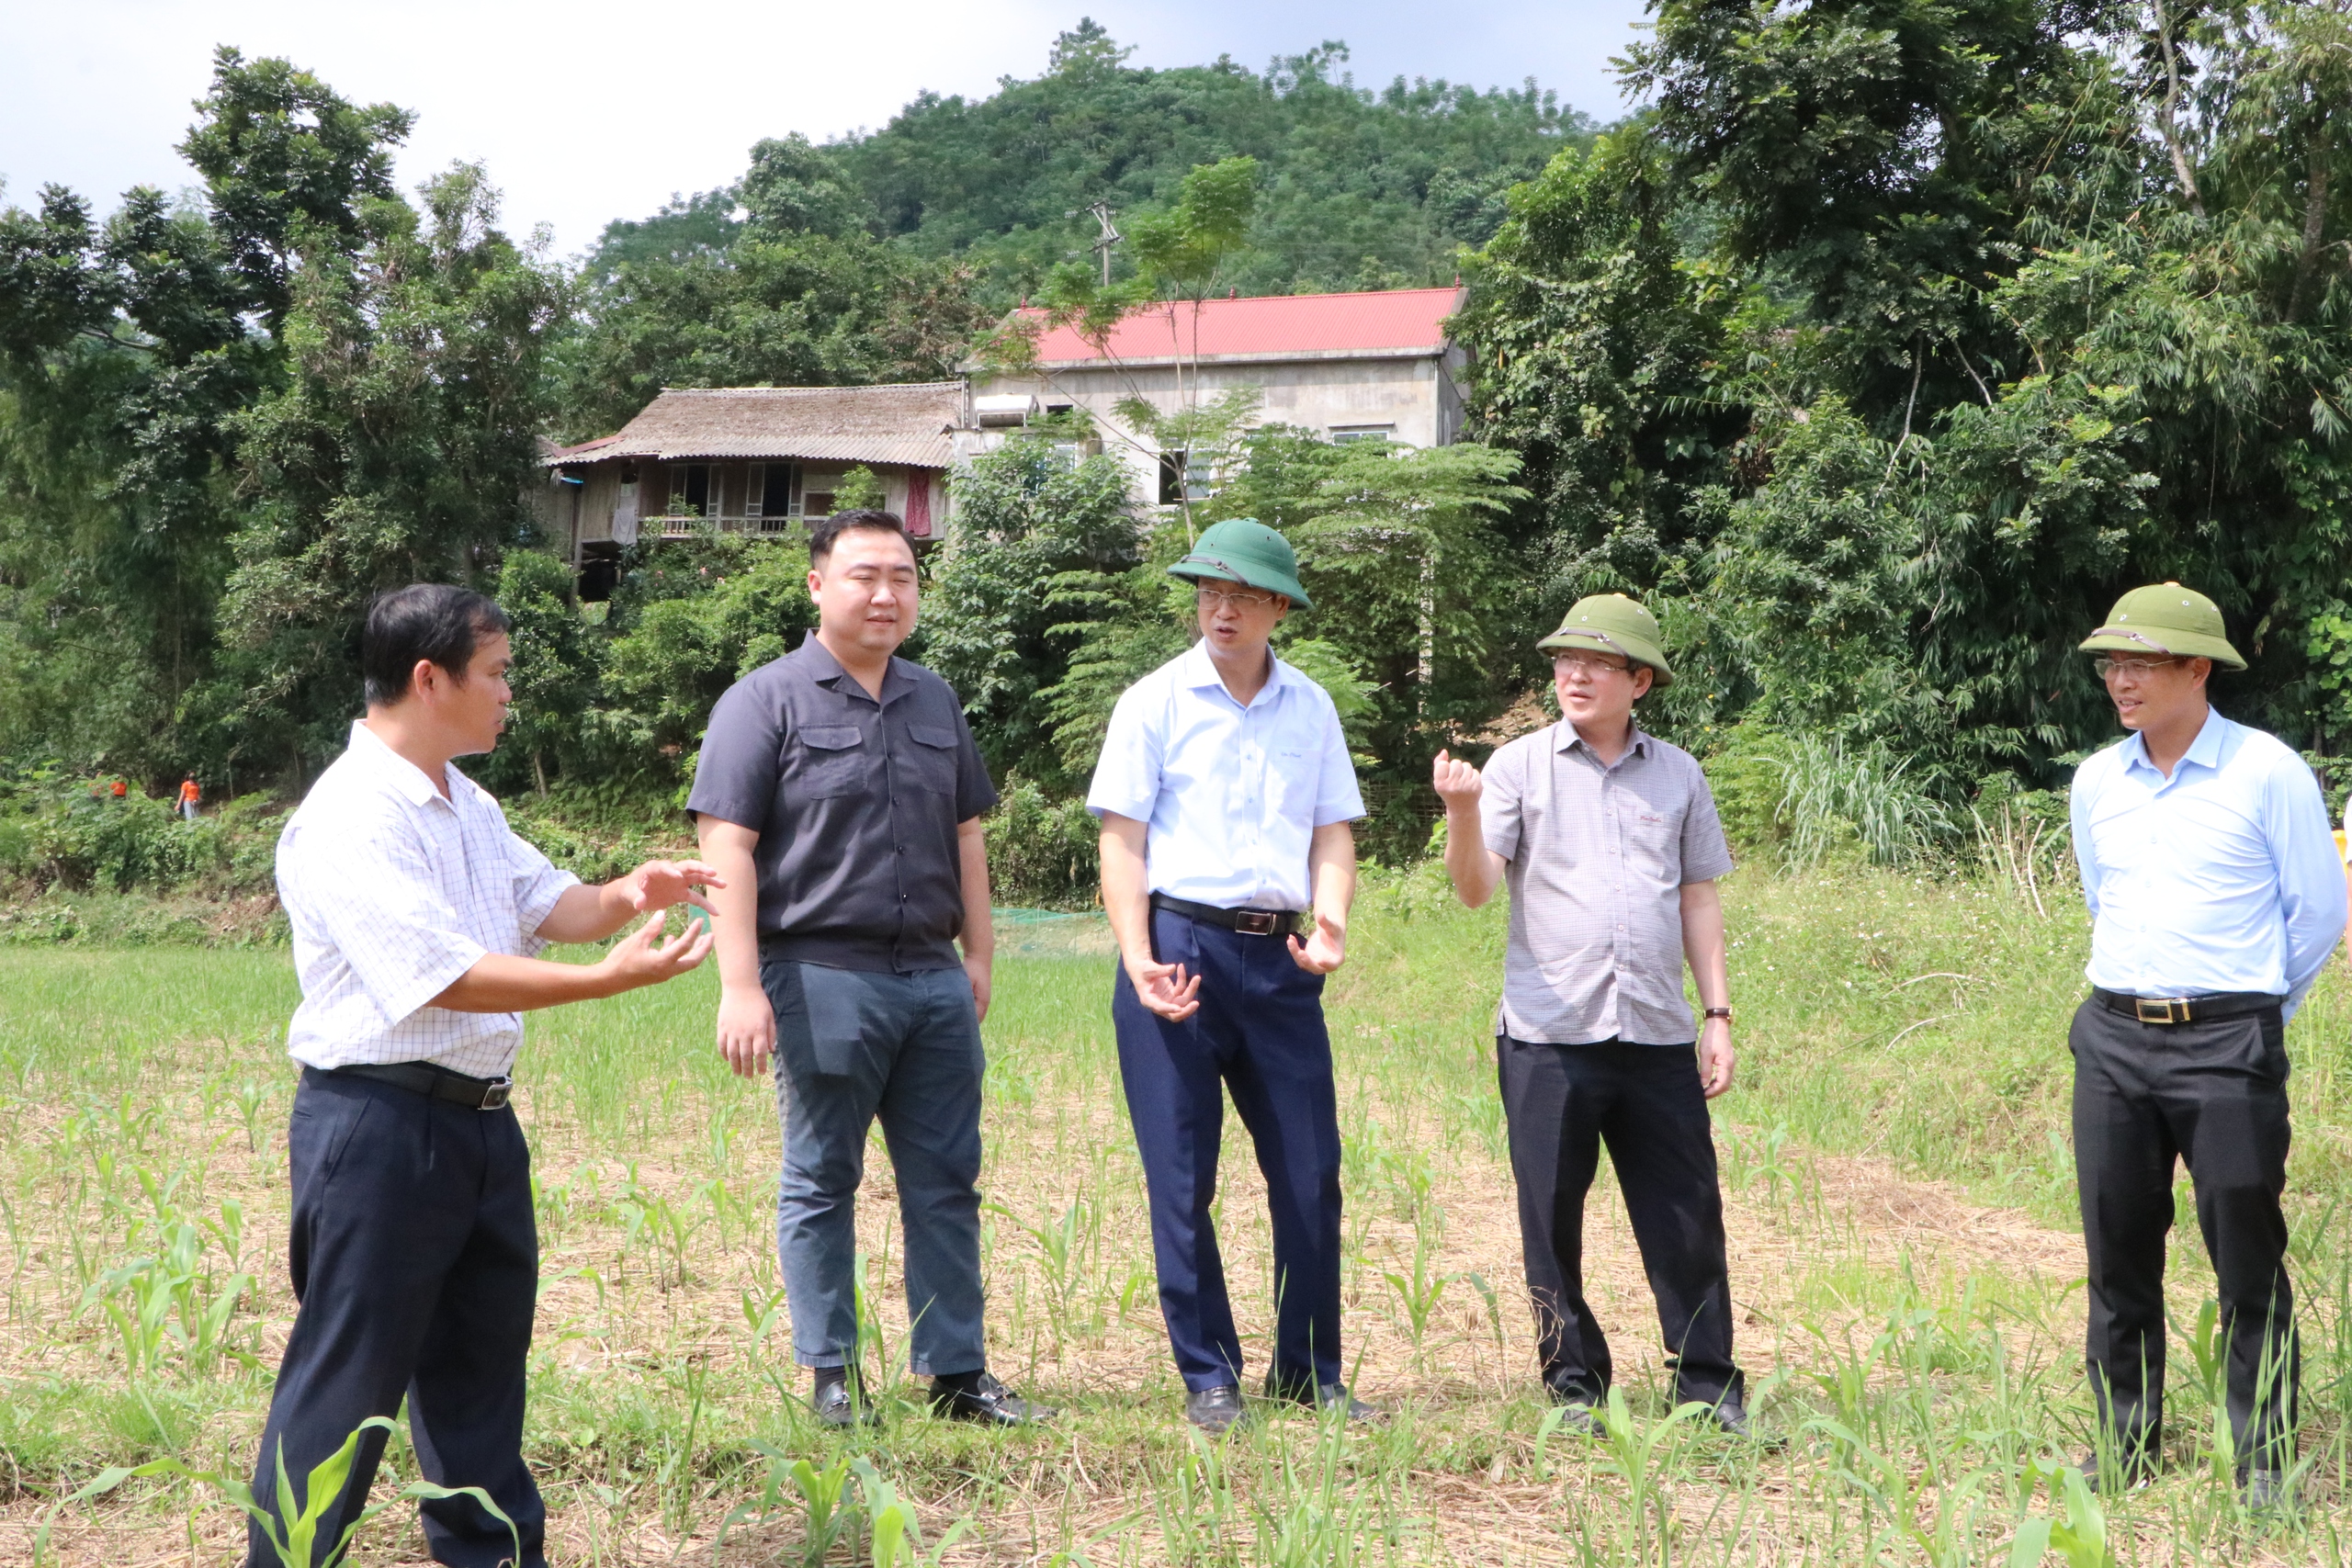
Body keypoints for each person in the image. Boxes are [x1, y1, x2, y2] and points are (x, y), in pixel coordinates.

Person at [251, 583, 721, 1568]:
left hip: (476, 1128)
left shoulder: (466, 802)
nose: (510, 694)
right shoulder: (349, 816)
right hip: (378, 1128)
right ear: (430, 679)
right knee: (347, 1388)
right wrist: (603, 983)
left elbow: (552, 902)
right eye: (497, 674)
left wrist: (633, 891)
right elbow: (443, 979)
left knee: (479, 1383)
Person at [691, 510, 1048, 1429]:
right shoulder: (762, 701)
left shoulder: (933, 699)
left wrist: (979, 951)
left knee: (945, 1178)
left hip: (930, 978)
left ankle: (956, 1375)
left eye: (902, 576)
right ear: (817, 586)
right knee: (821, 1180)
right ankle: (833, 1376)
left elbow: (966, 833)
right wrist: (738, 984)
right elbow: (724, 846)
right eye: (863, 576)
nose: (886, 593)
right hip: (819, 974)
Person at [1430, 592, 1765, 1440]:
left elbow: (1698, 896)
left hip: (1654, 1031)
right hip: (1548, 1033)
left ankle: (1708, 1387)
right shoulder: (1517, 767)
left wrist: (1716, 1012)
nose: (1574, 674)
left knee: (1688, 1217)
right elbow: (1474, 891)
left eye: (1598, 661)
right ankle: (1573, 1386)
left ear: (1639, 681)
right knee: (1550, 1217)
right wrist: (1462, 815)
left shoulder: (1679, 773)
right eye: (1564, 659)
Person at [1087, 518, 1374, 1434]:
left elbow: (1332, 828)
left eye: (1244, 595)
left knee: (1309, 1171)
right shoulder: (1153, 702)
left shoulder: (1312, 709)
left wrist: (1330, 924)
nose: (1223, 609)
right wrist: (1137, 958)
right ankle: (1208, 1376)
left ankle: (1308, 1373)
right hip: (1179, 948)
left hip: (1280, 959)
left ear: (1278, 608)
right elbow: (1121, 840)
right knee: (1181, 1175)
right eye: (1210, 592)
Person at [2067, 582, 2345, 1508]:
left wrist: (2252, 1016)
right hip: (2112, 1037)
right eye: (2111, 662)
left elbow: (2315, 915)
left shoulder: (2266, 772)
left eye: (2139, 661)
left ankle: (2263, 1460)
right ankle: (2125, 1441)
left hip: (2228, 1043)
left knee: (2244, 1253)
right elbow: (2102, 897)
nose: (2119, 679)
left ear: (2197, 669)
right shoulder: (2098, 779)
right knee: (2116, 1250)